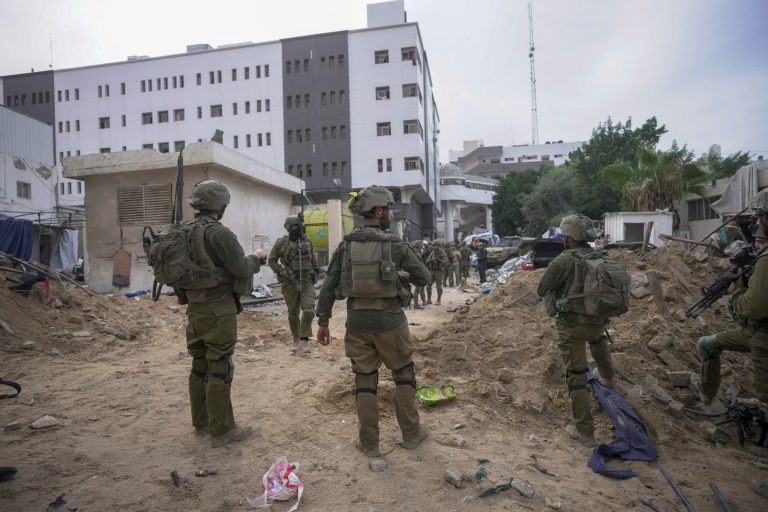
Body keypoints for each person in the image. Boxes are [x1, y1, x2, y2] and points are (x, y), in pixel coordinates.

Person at [315, 186, 431, 466]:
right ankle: (412, 436)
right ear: (379, 211)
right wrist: (402, 273)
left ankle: (370, 445)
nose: (391, 213)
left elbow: (329, 286)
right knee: (403, 374)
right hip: (391, 322)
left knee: (364, 382)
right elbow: (424, 277)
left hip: (357, 323)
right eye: (389, 209)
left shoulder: (345, 245)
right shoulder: (396, 245)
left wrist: (323, 322)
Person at [180, 180, 269, 448]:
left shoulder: (182, 231)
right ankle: (222, 431)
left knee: (199, 365)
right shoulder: (220, 233)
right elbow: (241, 268)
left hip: (194, 307)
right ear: (221, 205)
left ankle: (202, 422)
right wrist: (257, 256)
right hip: (219, 309)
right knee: (220, 366)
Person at [536, 214, 615, 448]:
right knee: (599, 340)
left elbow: (542, 288)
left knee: (577, 376)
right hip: (598, 321)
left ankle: (586, 433)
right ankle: (608, 378)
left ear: (569, 237)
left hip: (572, 326)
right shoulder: (601, 255)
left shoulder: (563, 260)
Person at [694, 223, 768, 416]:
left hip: (763, 339)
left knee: (765, 398)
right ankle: (708, 401)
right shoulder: (758, 264)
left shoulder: (765, 262)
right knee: (706, 344)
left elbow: (752, 308)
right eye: (757, 241)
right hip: (754, 332)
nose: (758, 246)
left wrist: (736, 292)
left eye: (762, 242)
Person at [268, 215, 318, 354]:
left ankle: (304, 339)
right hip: (289, 282)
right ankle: (296, 338)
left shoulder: (307, 240)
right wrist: (281, 270)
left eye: (300, 225)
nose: (300, 228)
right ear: (289, 228)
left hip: (307, 280)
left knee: (308, 311)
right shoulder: (281, 243)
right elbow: (271, 260)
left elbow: (313, 259)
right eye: (297, 226)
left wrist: (317, 271)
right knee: (293, 314)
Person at [426, 240, 448, 305]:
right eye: (433, 246)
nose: (434, 247)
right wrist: (431, 260)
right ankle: (429, 299)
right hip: (432, 270)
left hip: (439, 271)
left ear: (439, 246)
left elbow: (446, 262)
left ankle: (438, 300)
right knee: (428, 286)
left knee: (438, 286)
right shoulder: (432, 253)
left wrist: (438, 260)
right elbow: (427, 260)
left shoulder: (442, 253)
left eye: (436, 245)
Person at [410, 240, 426, 310]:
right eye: (421, 246)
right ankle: (416, 304)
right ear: (419, 247)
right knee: (418, 288)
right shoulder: (417, 254)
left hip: (413, 272)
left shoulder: (412, 252)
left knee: (421, 287)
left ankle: (423, 301)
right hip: (417, 272)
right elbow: (419, 264)